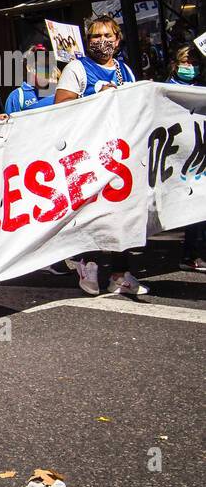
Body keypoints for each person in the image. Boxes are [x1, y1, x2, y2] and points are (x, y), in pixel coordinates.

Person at [53, 15, 144, 296]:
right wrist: (95, 98)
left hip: (118, 153)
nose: (101, 41)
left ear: (117, 40)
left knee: (121, 213)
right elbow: (61, 104)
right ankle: (87, 263)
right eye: (94, 36)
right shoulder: (78, 68)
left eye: (107, 36)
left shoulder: (124, 70)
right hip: (88, 154)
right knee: (91, 210)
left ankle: (120, 273)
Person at [164, 46, 206, 271]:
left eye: (194, 63)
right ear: (176, 63)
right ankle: (190, 254)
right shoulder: (167, 89)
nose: (190, 67)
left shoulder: (200, 88)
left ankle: (194, 252)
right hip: (179, 156)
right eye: (186, 62)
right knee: (191, 205)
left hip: (201, 152)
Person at [5, 47, 55, 114]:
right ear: (29, 68)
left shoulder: (58, 91)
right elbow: (11, 124)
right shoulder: (17, 96)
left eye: (48, 66)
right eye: (41, 66)